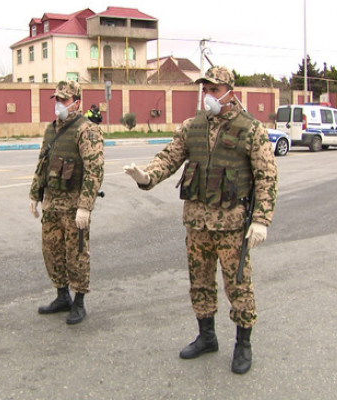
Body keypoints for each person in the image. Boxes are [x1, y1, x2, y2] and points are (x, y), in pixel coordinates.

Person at [123, 66, 277, 374]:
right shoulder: (191, 126)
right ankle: (207, 337)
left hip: (233, 226)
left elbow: (267, 176)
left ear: (230, 92)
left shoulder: (251, 129)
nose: (207, 95)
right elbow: (169, 158)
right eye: (204, 89)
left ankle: (243, 344)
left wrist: (261, 219)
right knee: (200, 284)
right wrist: (146, 175)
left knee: (238, 286)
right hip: (197, 226)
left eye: (214, 90)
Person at [29, 80, 105, 325]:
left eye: (64, 99)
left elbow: (94, 171)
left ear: (76, 102)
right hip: (51, 205)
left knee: (77, 254)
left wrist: (85, 206)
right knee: (51, 251)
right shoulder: (51, 129)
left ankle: (79, 301)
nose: (59, 104)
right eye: (57, 100)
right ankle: (62, 296)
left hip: (74, 208)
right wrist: (34, 194)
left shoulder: (87, 130)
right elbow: (43, 163)